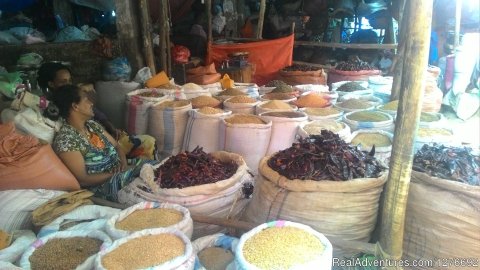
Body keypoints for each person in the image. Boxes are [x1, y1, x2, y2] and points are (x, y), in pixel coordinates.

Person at [51, 84, 157, 202]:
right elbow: (83, 179)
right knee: (152, 183)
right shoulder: (66, 140)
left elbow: (117, 146)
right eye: (86, 99)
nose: (91, 103)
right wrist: (119, 173)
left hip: (121, 170)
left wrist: (124, 165)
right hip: (104, 186)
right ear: (75, 106)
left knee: (157, 166)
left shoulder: (92, 125)